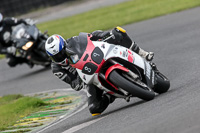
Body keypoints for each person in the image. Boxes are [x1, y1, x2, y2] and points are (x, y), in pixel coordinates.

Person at [45, 26, 154, 116]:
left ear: (64, 45)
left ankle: (142, 53)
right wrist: (80, 82)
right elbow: (73, 83)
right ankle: (109, 95)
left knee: (118, 32)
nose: (60, 57)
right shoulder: (56, 68)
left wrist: (103, 36)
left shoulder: (73, 41)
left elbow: (90, 36)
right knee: (94, 109)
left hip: (95, 58)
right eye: (56, 57)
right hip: (87, 78)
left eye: (61, 53)